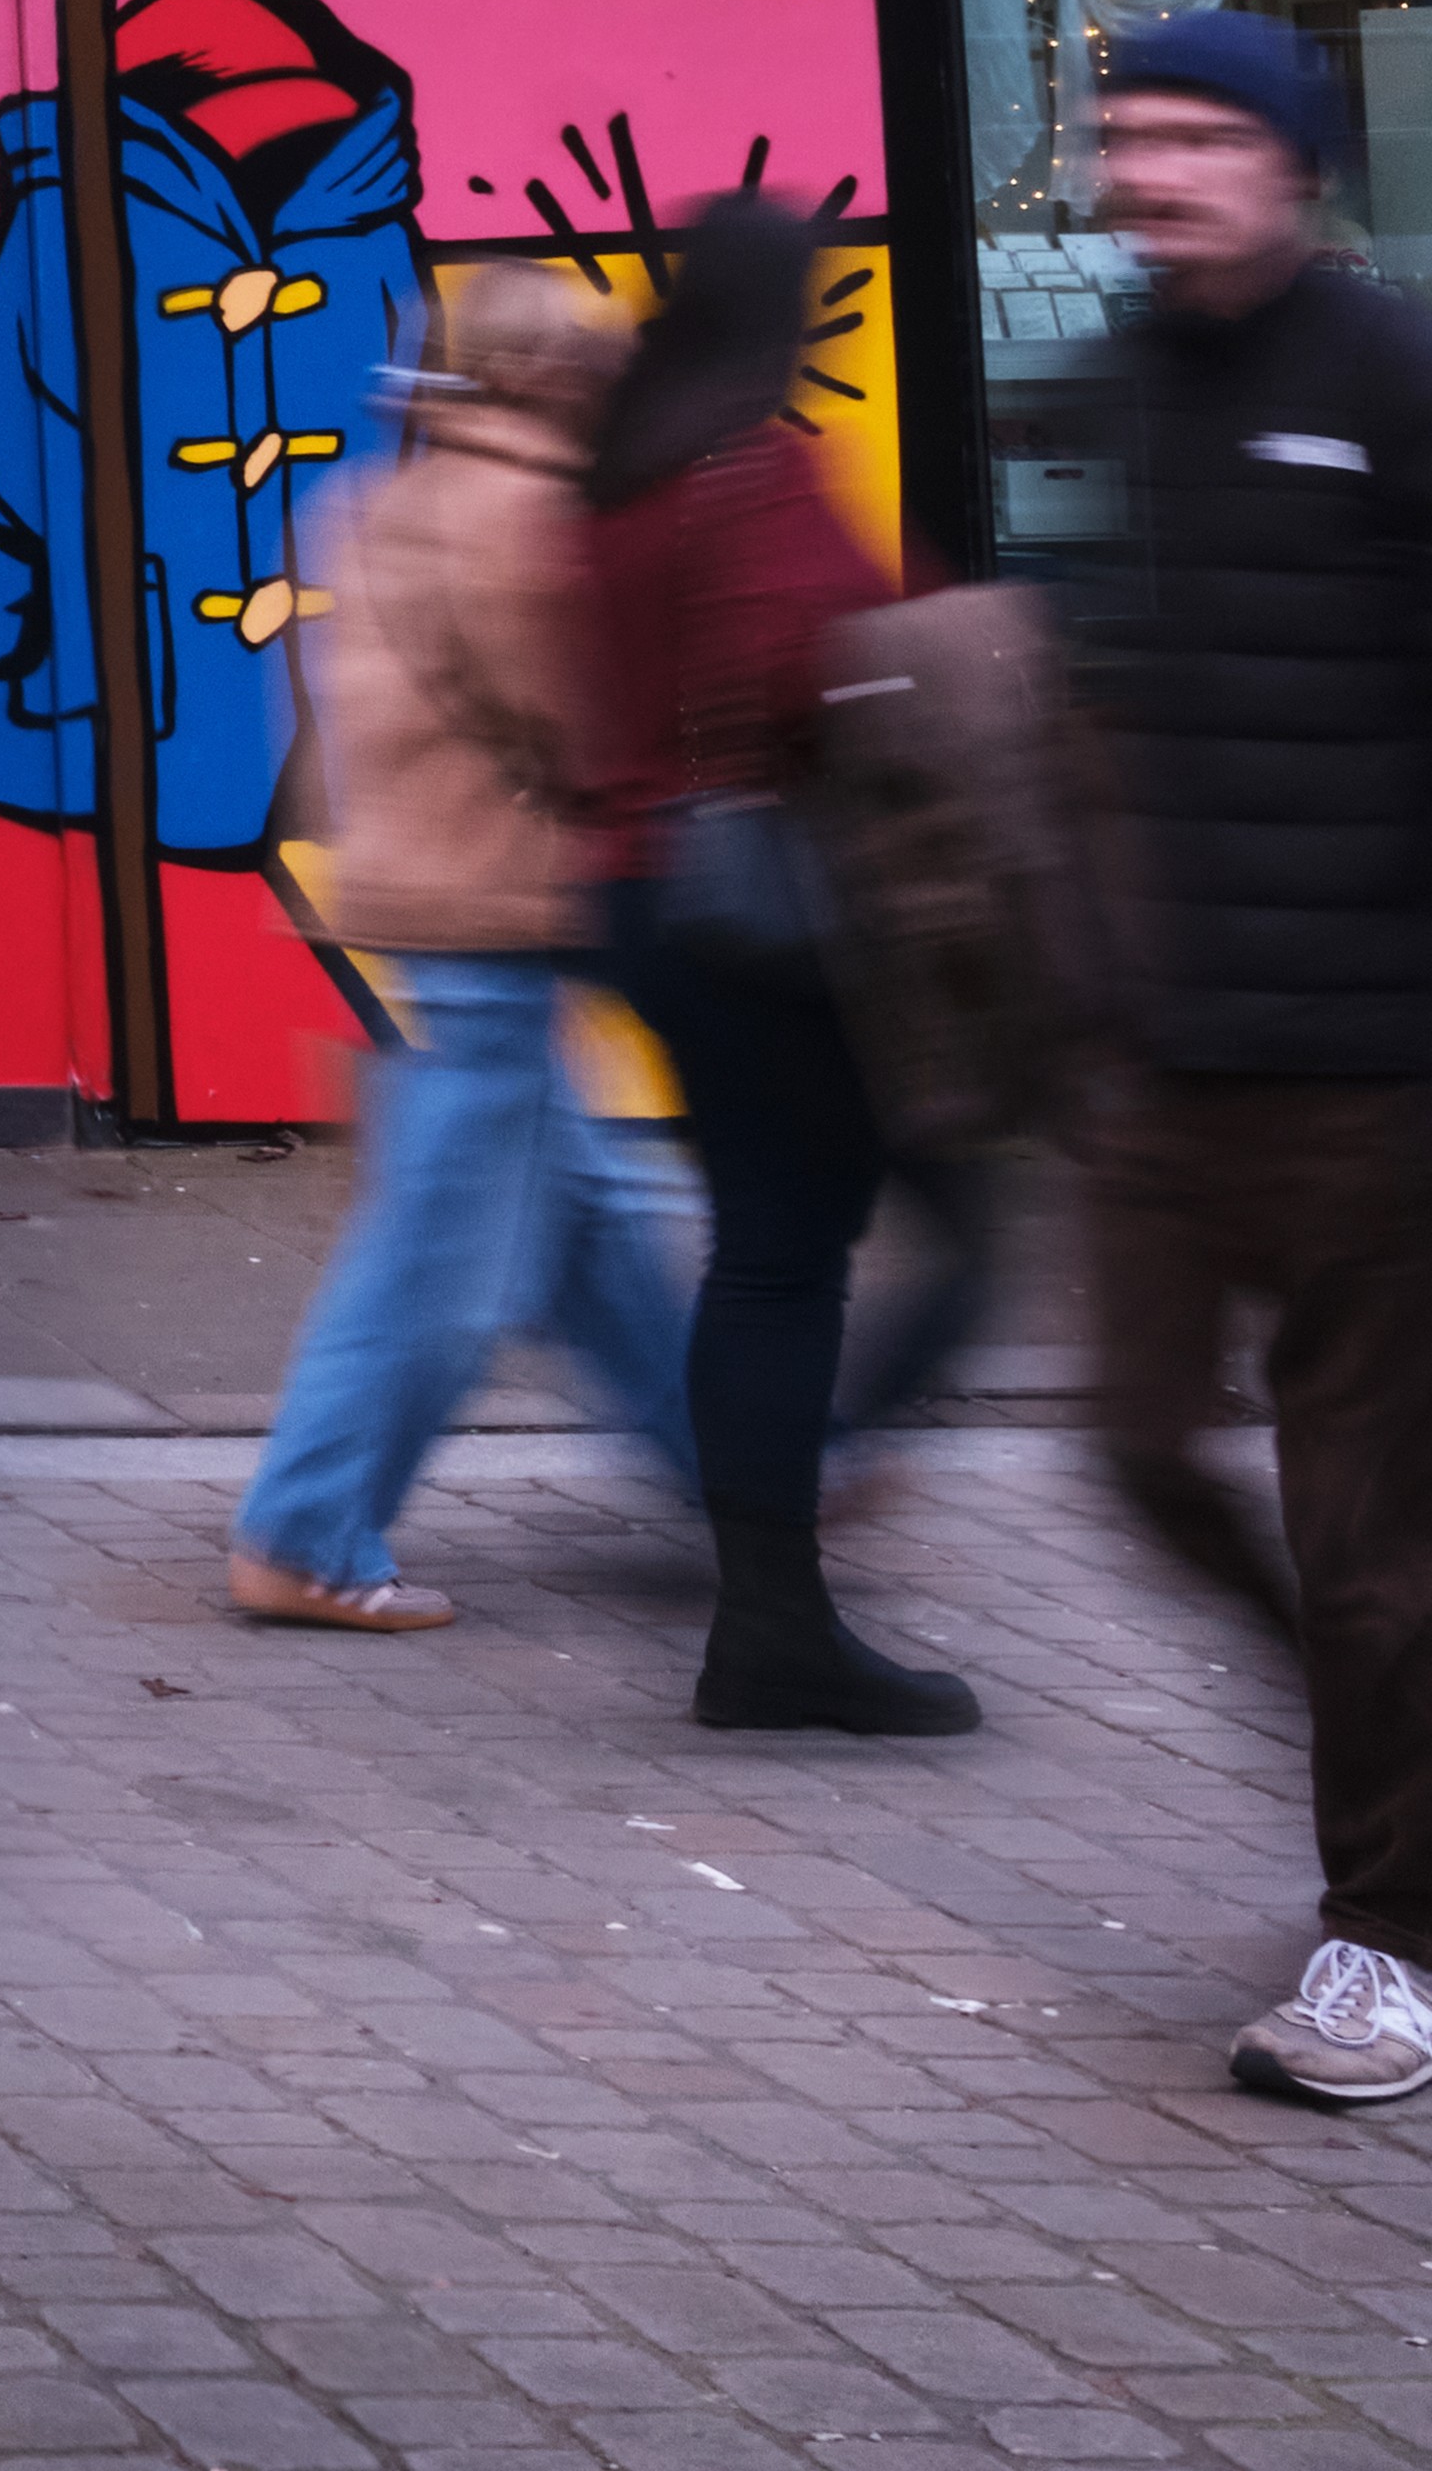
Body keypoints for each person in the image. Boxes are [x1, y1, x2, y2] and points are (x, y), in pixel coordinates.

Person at [1068, 8, 1432, 2105]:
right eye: (1126, 136)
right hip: (1179, 1075)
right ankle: (1405, 1714)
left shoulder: (1423, 392)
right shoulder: (1126, 388)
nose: (1150, 172)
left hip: (1384, 1079)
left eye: (1195, 136)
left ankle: (1404, 1944)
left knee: (1374, 1530)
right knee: (1136, 1442)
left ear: (1295, 161)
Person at [224, 268, 702, 1628]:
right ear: (555, 378)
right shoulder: (535, 519)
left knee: (594, 1218)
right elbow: (580, 728)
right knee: (439, 1267)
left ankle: (746, 1470)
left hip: (417, 897)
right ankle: (306, 1534)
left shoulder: (373, 501)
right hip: (501, 908)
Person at [555, 191, 963, 1736]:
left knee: (769, 1250)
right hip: (756, 901)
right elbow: (818, 653)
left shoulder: (624, 460)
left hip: (646, 898)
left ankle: (773, 1612)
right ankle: (777, 1625)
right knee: (798, 1258)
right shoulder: (752, 459)